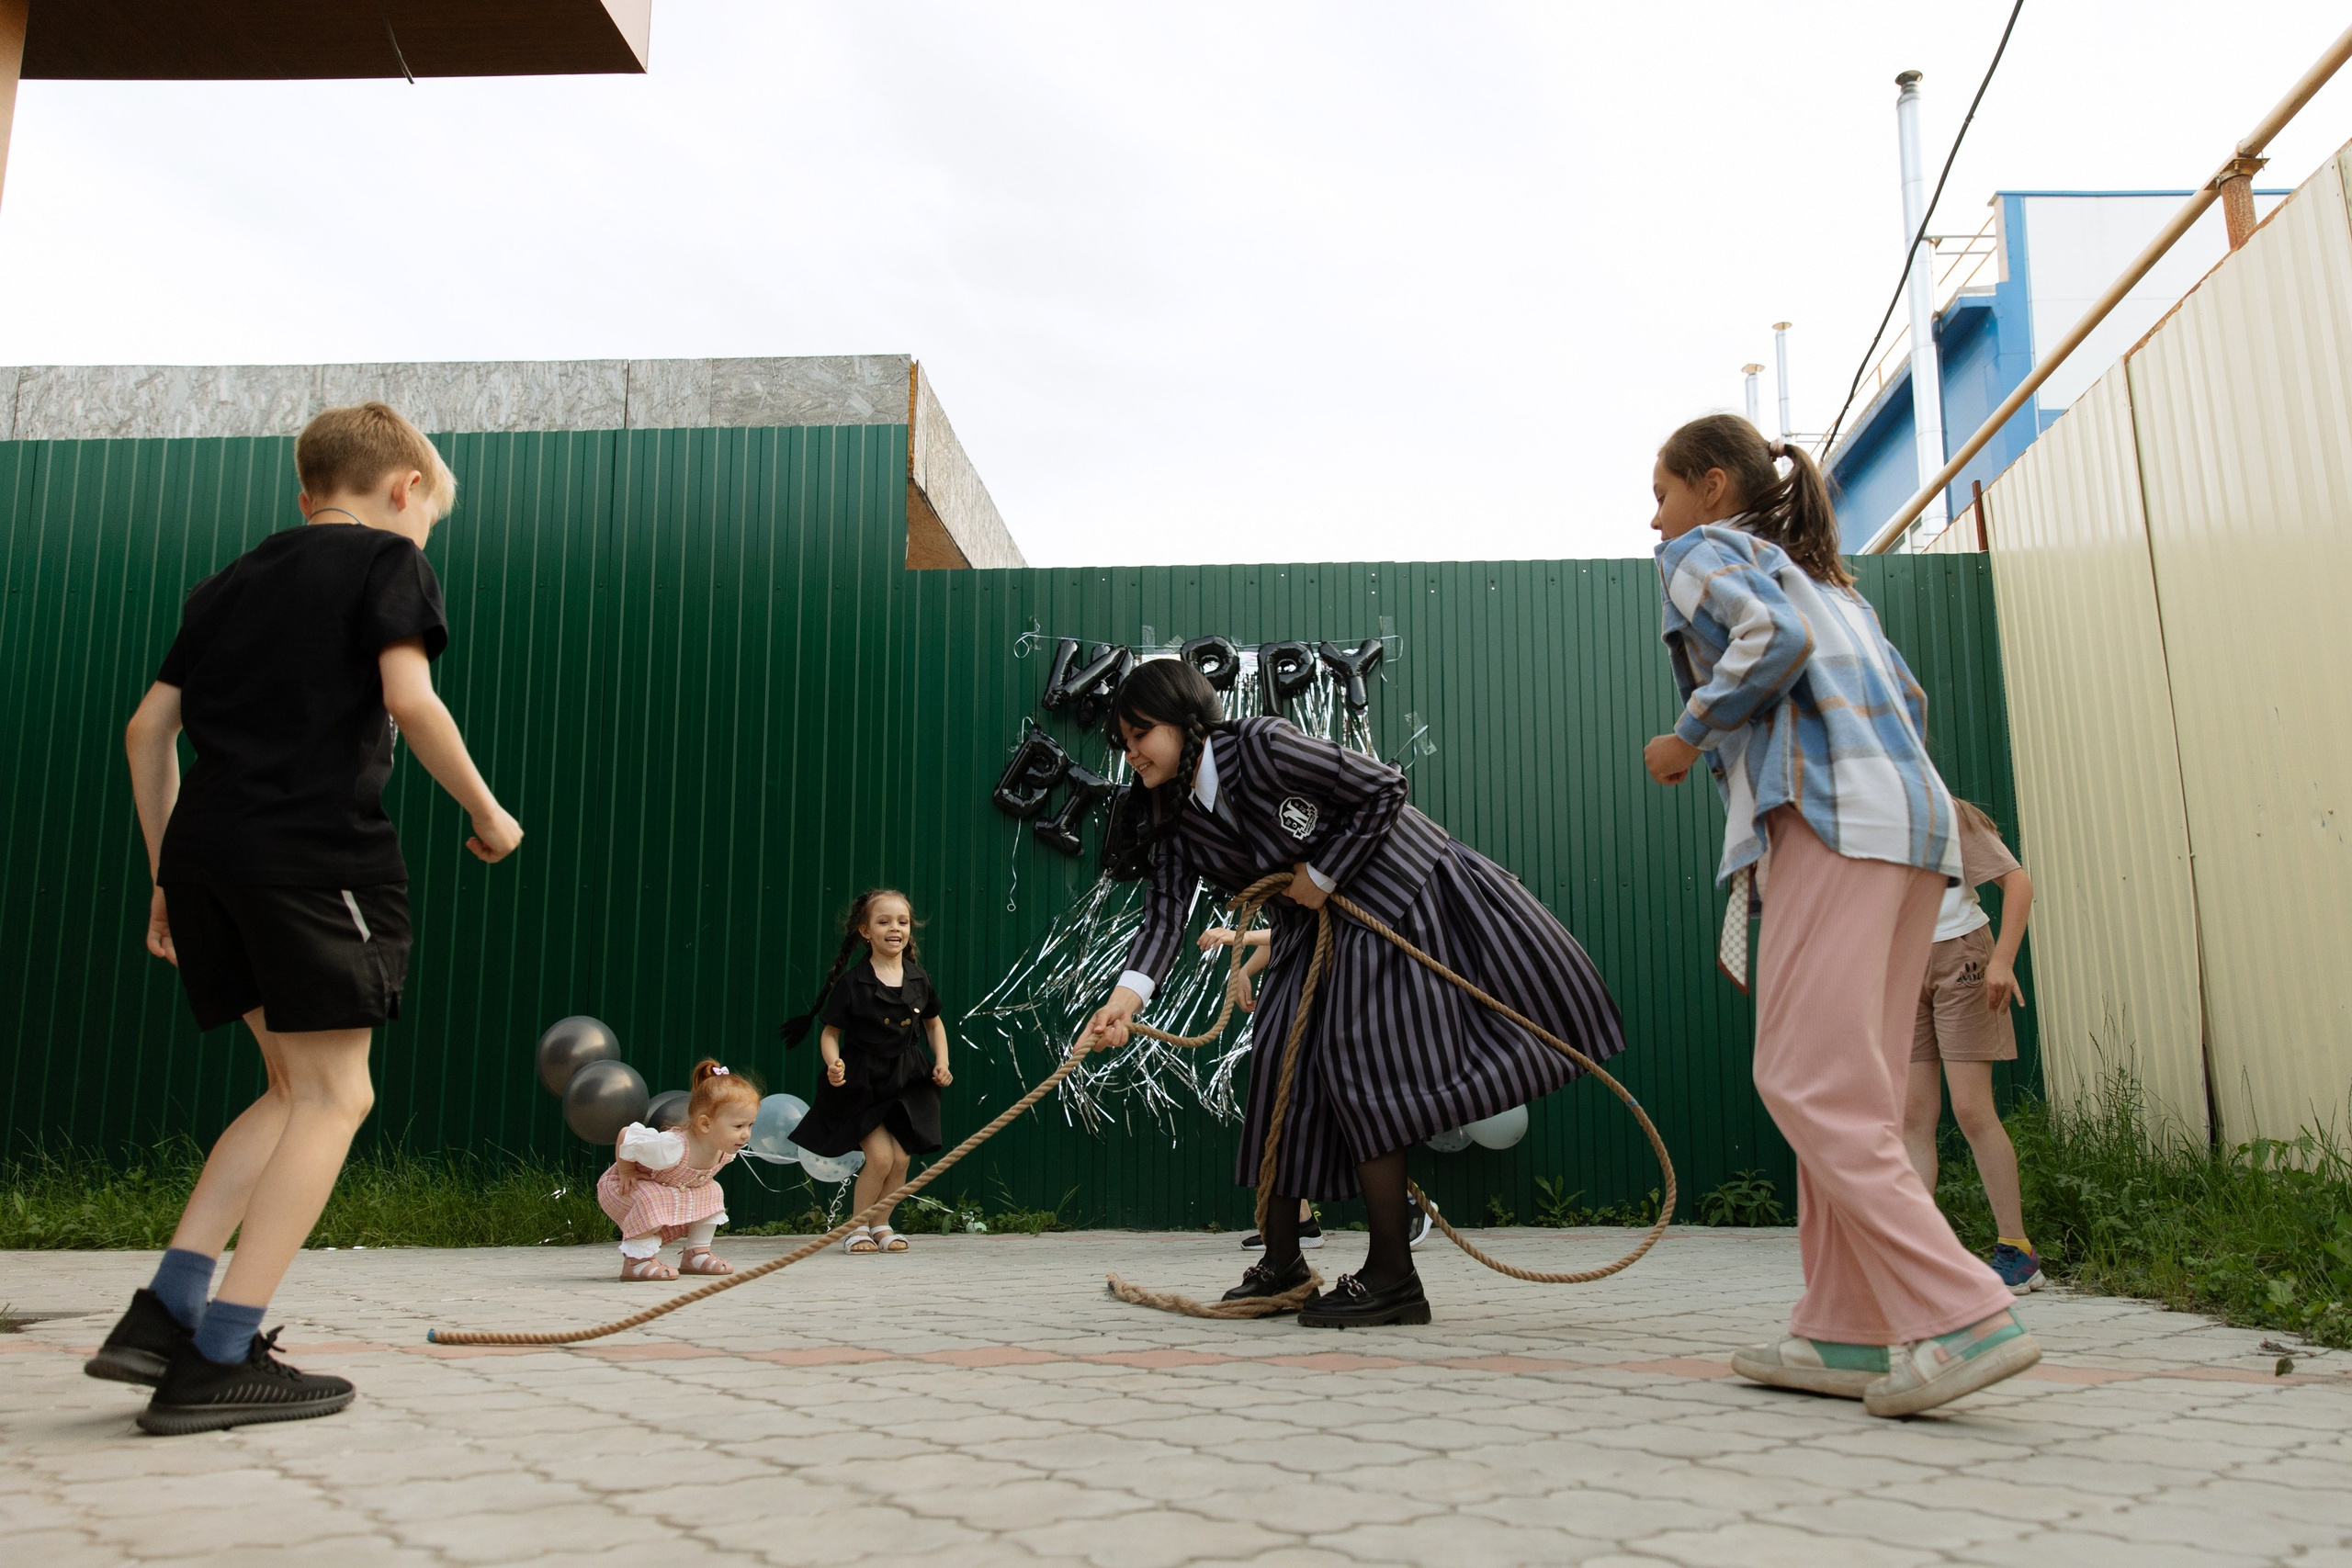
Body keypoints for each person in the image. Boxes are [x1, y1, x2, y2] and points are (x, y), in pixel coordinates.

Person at [91, 402, 525, 1436]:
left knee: (291, 1086)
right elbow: (409, 699)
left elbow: (148, 729)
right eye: (427, 516)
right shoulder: (388, 560)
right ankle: (220, 1356)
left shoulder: (228, 582)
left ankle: (167, 1313)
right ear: (405, 488)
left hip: (207, 857)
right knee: (337, 1095)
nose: (423, 535)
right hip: (312, 856)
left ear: (305, 492)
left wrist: (165, 874)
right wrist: (488, 811)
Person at [1642, 412, 2037, 1417]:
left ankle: (1961, 1311)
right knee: (1853, 1085)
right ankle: (1844, 1328)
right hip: (1916, 829)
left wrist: (1687, 736)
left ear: (1713, 486)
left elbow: (1770, 642)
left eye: (1662, 492)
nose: (1654, 518)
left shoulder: (1704, 551)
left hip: (1829, 822)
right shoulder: (1829, 578)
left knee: (1804, 1079)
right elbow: (1906, 695)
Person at [1081, 660, 1623, 1327]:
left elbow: (1384, 787)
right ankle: (1283, 1262)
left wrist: (1322, 872)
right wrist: (1125, 1001)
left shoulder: (1264, 746)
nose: (1131, 753)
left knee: (1358, 1061)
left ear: (1186, 721)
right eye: (1124, 741)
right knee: (1277, 1066)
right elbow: (1164, 915)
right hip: (1310, 930)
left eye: (1140, 734)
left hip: (1394, 897)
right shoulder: (1171, 813)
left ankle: (1394, 1275)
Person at [1203, 926, 1430, 1253]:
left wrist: (1244, 938)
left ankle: (1406, 1204)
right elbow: (1287, 928)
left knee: (1334, 1102)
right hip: (1298, 993)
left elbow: (1305, 924)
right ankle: (1300, 1221)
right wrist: (1246, 969)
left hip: (1333, 990)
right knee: (1286, 1103)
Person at [1904, 800, 2042, 1294]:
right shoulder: (1858, 817)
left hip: (1960, 954)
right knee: (1912, 1114)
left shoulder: (1945, 813)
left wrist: (2001, 960)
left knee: (1971, 1108)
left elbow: (2018, 884)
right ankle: (1916, 1253)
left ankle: (2017, 1250)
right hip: (1900, 965)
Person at [781, 889, 952, 1254]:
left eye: (902, 922)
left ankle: (881, 1224)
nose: (895, 928)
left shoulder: (919, 978)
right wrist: (834, 1064)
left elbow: (934, 1024)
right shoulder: (854, 983)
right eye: (884, 921)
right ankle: (856, 1228)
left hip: (908, 1079)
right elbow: (830, 1034)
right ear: (865, 931)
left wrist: (942, 1062)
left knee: (901, 1158)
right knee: (881, 1157)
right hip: (864, 1081)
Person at [600, 1060, 760, 1280]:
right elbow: (626, 1135)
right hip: (627, 1186)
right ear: (705, 1124)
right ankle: (637, 1261)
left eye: (750, 1125)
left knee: (712, 1190)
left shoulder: (723, 1150)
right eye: (738, 1126)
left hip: (673, 1188)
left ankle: (697, 1253)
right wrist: (626, 1171)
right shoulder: (672, 1147)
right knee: (651, 1197)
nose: (746, 1134)